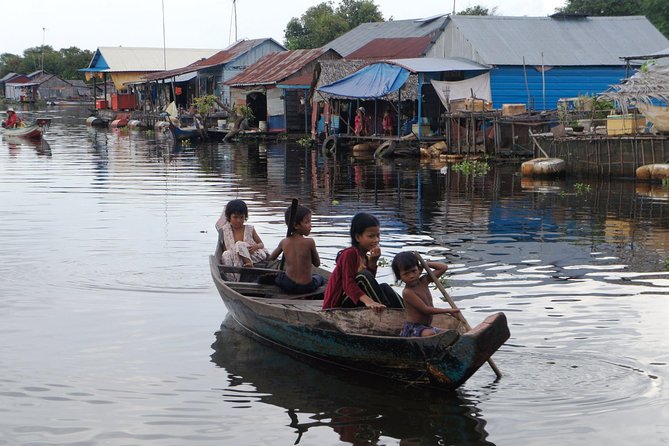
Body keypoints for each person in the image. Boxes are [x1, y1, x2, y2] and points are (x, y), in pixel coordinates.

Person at [322, 212, 404, 311]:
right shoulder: (349, 254)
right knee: (362, 275)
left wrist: (373, 263)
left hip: (353, 300)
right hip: (336, 305)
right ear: (357, 237)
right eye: (371, 236)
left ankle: (407, 311)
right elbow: (348, 284)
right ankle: (388, 311)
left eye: (378, 236)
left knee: (384, 287)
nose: (376, 240)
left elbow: (369, 285)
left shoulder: (364, 256)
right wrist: (368, 301)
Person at [391, 252, 460, 337]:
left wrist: (424, 264)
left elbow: (443, 267)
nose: (411, 276)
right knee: (430, 334)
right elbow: (425, 310)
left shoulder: (424, 280)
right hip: (413, 328)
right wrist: (448, 310)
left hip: (427, 326)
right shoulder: (408, 292)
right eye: (406, 274)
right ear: (399, 277)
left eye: (414, 271)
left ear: (419, 270)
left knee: (451, 333)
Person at [269, 204, 325, 294]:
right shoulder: (310, 242)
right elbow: (317, 263)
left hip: (288, 285)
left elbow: (272, 257)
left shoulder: (284, 242)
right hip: (306, 287)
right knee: (320, 278)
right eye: (307, 222)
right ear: (296, 225)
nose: (310, 226)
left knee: (279, 277)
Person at [215, 199, 269, 279]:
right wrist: (236, 255)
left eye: (241, 217)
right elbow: (226, 249)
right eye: (235, 217)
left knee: (239, 244)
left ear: (245, 217)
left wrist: (255, 247)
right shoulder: (225, 230)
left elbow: (261, 244)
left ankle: (248, 263)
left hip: (253, 255)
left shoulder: (250, 229)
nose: (238, 220)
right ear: (229, 217)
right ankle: (232, 280)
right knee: (226, 254)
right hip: (236, 258)